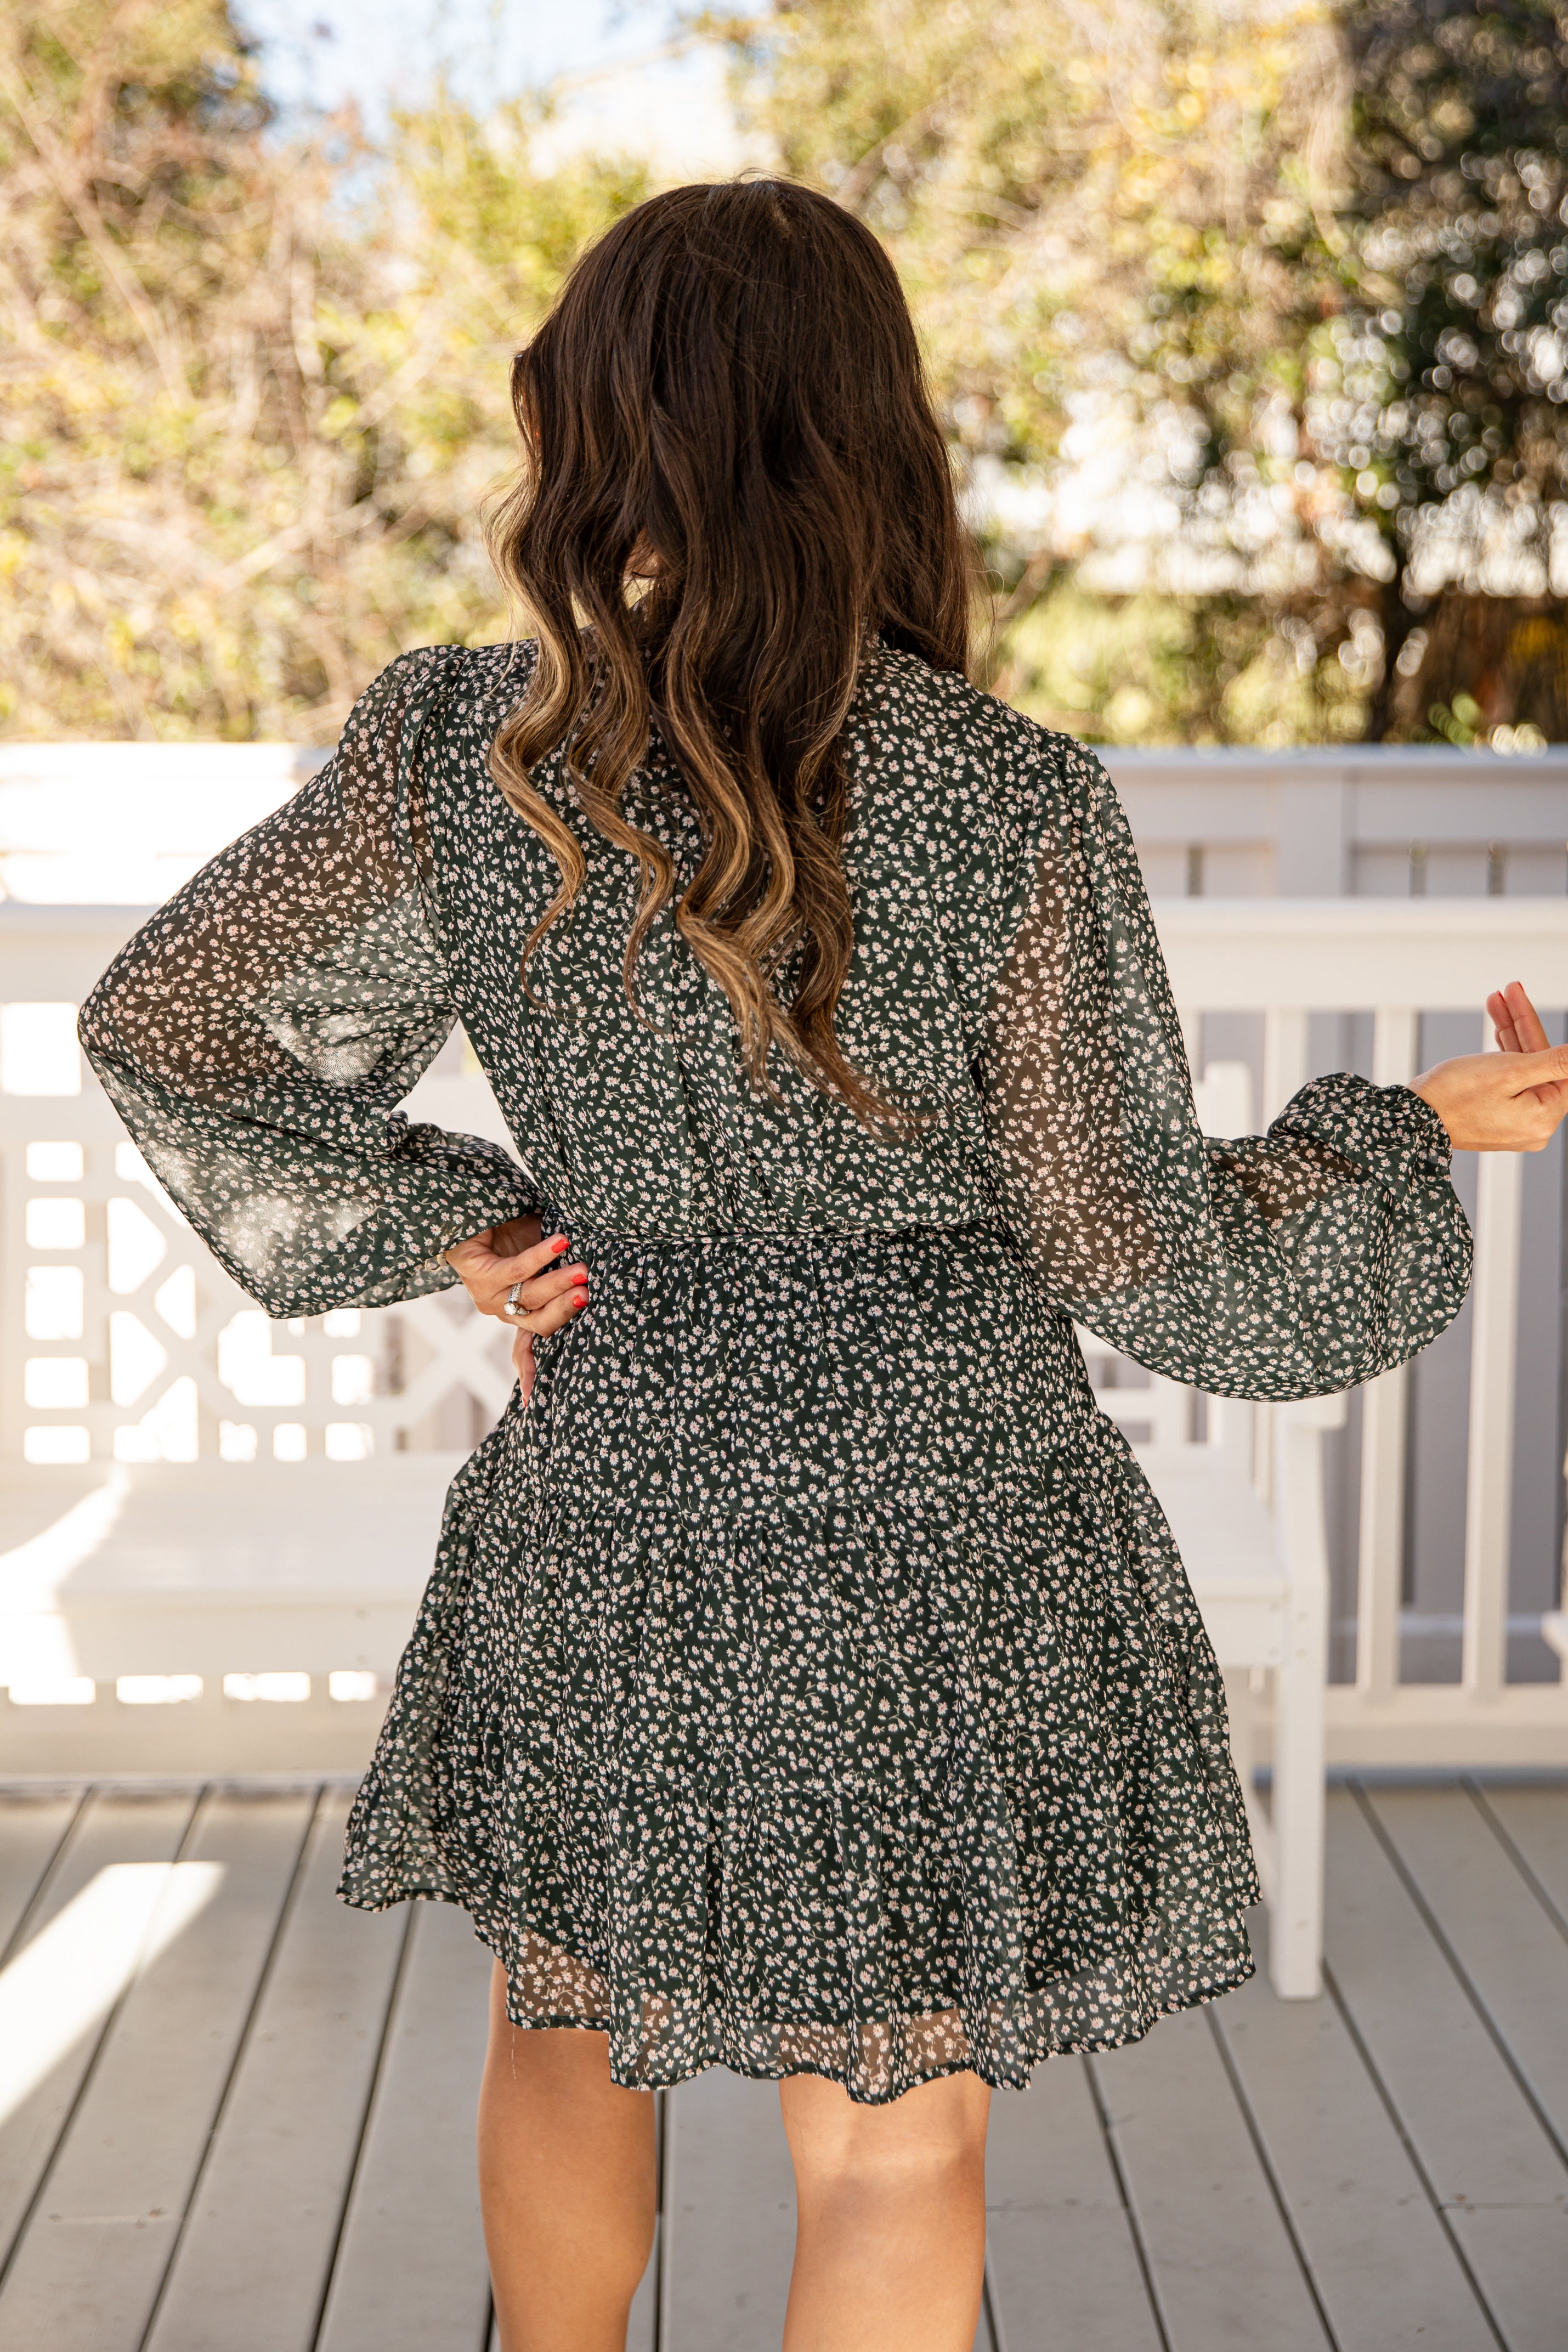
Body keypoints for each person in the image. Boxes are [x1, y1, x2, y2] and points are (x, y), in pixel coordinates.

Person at [78, 178, 1566, 2352]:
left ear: (595, 422)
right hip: (949, 1539)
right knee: (890, 2142)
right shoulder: (1010, 798)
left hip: (615, 1499)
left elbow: (172, 1017)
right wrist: (1404, 1128)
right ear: (873, 428)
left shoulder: (469, 752)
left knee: (569, 2022)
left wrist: (469, 1225)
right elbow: (1135, 1244)